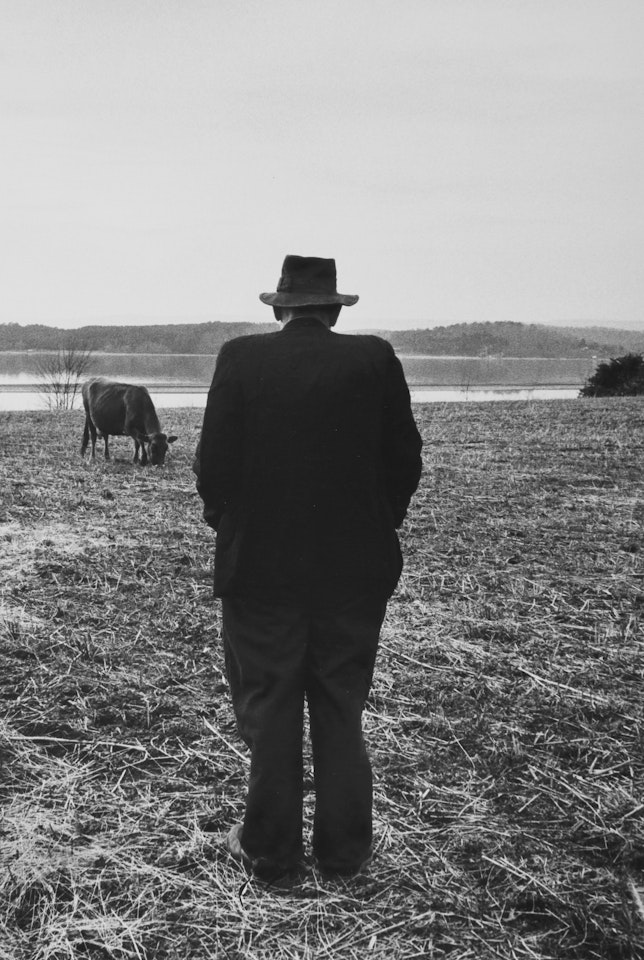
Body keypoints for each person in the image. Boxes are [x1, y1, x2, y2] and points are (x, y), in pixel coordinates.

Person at [196, 254, 422, 883]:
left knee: (269, 705)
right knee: (340, 704)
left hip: (260, 569)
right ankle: (344, 855)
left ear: (279, 307)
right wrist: (375, 523)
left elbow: (213, 468)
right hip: (354, 571)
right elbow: (404, 462)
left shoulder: (240, 357)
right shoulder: (375, 358)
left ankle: (271, 853)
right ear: (335, 309)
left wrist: (233, 525)